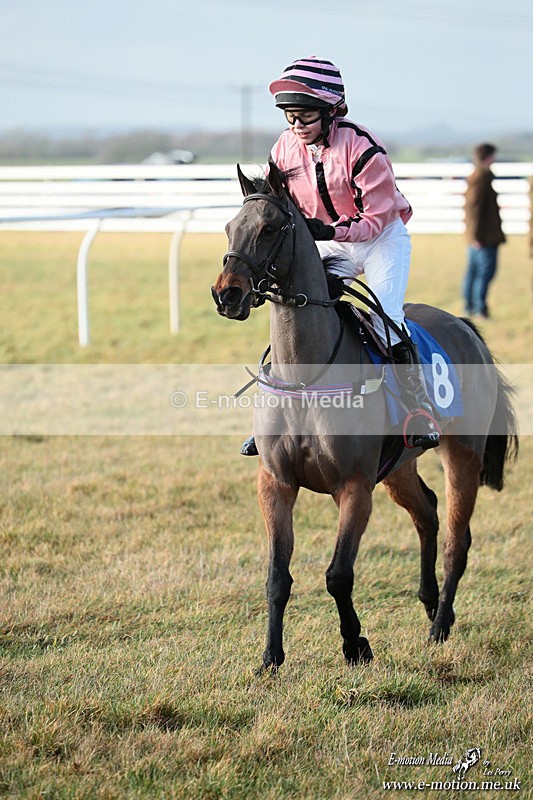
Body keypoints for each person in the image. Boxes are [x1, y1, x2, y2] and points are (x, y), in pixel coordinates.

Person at [241, 56, 439, 455]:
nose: (297, 125)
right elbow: (277, 200)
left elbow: (376, 218)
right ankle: (275, 417)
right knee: (298, 308)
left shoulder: (363, 148)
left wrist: (330, 231)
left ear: (332, 112)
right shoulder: (284, 148)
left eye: (306, 116)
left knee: (387, 320)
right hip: (331, 240)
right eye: (291, 116)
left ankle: (418, 410)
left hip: (381, 238)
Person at [462, 143, 506, 318]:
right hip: (484, 237)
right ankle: (479, 307)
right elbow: (475, 209)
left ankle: (471, 306)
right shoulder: (482, 178)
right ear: (488, 157)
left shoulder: (476, 176)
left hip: (478, 236)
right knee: (484, 272)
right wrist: (477, 236)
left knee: (473, 272)